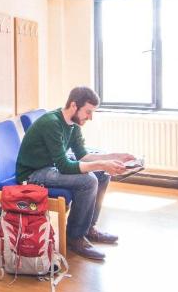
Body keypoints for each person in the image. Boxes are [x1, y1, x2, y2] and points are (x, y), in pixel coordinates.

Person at [15, 86, 134, 261]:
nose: (90, 117)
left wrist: (114, 157)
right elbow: (64, 166)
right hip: (33, 174)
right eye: (88, 112)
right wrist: (102, 163)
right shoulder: (52, 123)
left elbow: (83, 156)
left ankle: (88, 228)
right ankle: (74, 237)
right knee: (89, 181)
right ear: (73, 105)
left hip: (50, 166)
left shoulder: (73, 124)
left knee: (101, 173)